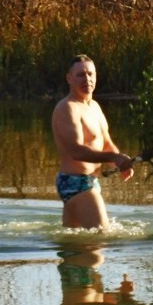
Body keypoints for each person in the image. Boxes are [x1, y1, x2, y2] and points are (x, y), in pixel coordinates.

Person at [51, 55, 134, 230]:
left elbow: (106, 142)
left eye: (90, 74)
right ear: (69, 78)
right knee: (102, 240)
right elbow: (76, 151)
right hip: (75, 183)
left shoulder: (94, 107)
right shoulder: (68, 108)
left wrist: (119, 160)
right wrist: (113, 156)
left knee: (75, 248)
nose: (87, 79)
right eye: (80, 74)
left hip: (90, 182)